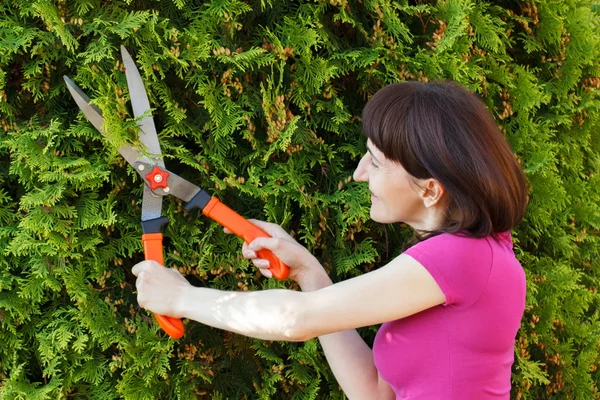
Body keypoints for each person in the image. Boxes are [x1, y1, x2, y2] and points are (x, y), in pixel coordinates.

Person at [132, 81, 529, 399]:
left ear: (430, 190)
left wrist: (181, 299)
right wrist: (311, 273)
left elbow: (295, 319)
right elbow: (374, 393)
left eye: (374, 161)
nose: (359, 174)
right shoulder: (474, 257)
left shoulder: (461, 258)